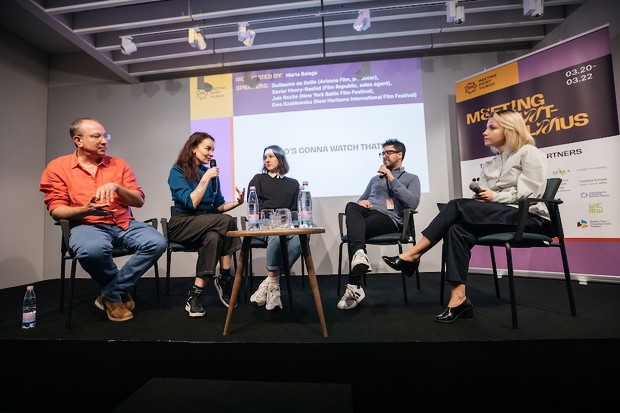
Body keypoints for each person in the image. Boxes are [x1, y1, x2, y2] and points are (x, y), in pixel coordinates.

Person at [382, 110, 550, 323]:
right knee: (456, 230)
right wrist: (482, 197)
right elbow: (489, 196)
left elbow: (532, 194)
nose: (485, 132)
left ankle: (414, 254)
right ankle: (458, 299)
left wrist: (494, 196)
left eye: (492, 127)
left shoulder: (529, 153)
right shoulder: (491, 163)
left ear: (510, 129)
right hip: (500, 216)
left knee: (455, 206)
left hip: (528, 219)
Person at [39, 117, 167, 322]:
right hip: (86, 225)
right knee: (92, 250)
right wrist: (85, 209)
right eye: (96, 136)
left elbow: (139, 200)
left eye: (105, 136)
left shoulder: (119, 165)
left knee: (157, 242)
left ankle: (110, 293)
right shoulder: (58, 167)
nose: (104, 141)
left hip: (123, 223)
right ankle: (118, 293)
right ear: (78, 140)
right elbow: (56, 210)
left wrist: (118, 187)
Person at [167, 131, 244, 318]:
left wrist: (237, 202)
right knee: (227, 222)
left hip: (207, 223)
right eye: (207, 148)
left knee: (214, 236)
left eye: (213, 150)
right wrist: (205, 178)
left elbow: (218, 207)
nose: (211, 154)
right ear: (193, 148)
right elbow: (191, 202)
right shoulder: (177, 171)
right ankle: (225, 276)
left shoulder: (210, 174)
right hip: (183, 224)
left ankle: (195, 295)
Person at [337, 138, 421, 310]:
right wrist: (363, 203)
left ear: (400, 155)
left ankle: (354, 286)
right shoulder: (375, 179)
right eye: (383, 153)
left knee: (355, 232)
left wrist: (391, 177)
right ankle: (360, 254)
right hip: (369, 215)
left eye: (389, 152)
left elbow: (412, 203)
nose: (384, 156)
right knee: (351, 206)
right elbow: (362, 199)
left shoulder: (411, 178)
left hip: (390, 219)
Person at [247, 145, 301, 311]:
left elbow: (295, 211)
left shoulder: (293, 183)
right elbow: (253, 208)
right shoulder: (258, 179)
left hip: (286, 226)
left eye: (271, 156)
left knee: (300, 239)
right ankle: (274, 289)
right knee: (276, 235)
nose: (267, 160)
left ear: (280, 158)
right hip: (264, 227)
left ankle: (270, 282)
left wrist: (286, 219)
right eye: (265, 157)